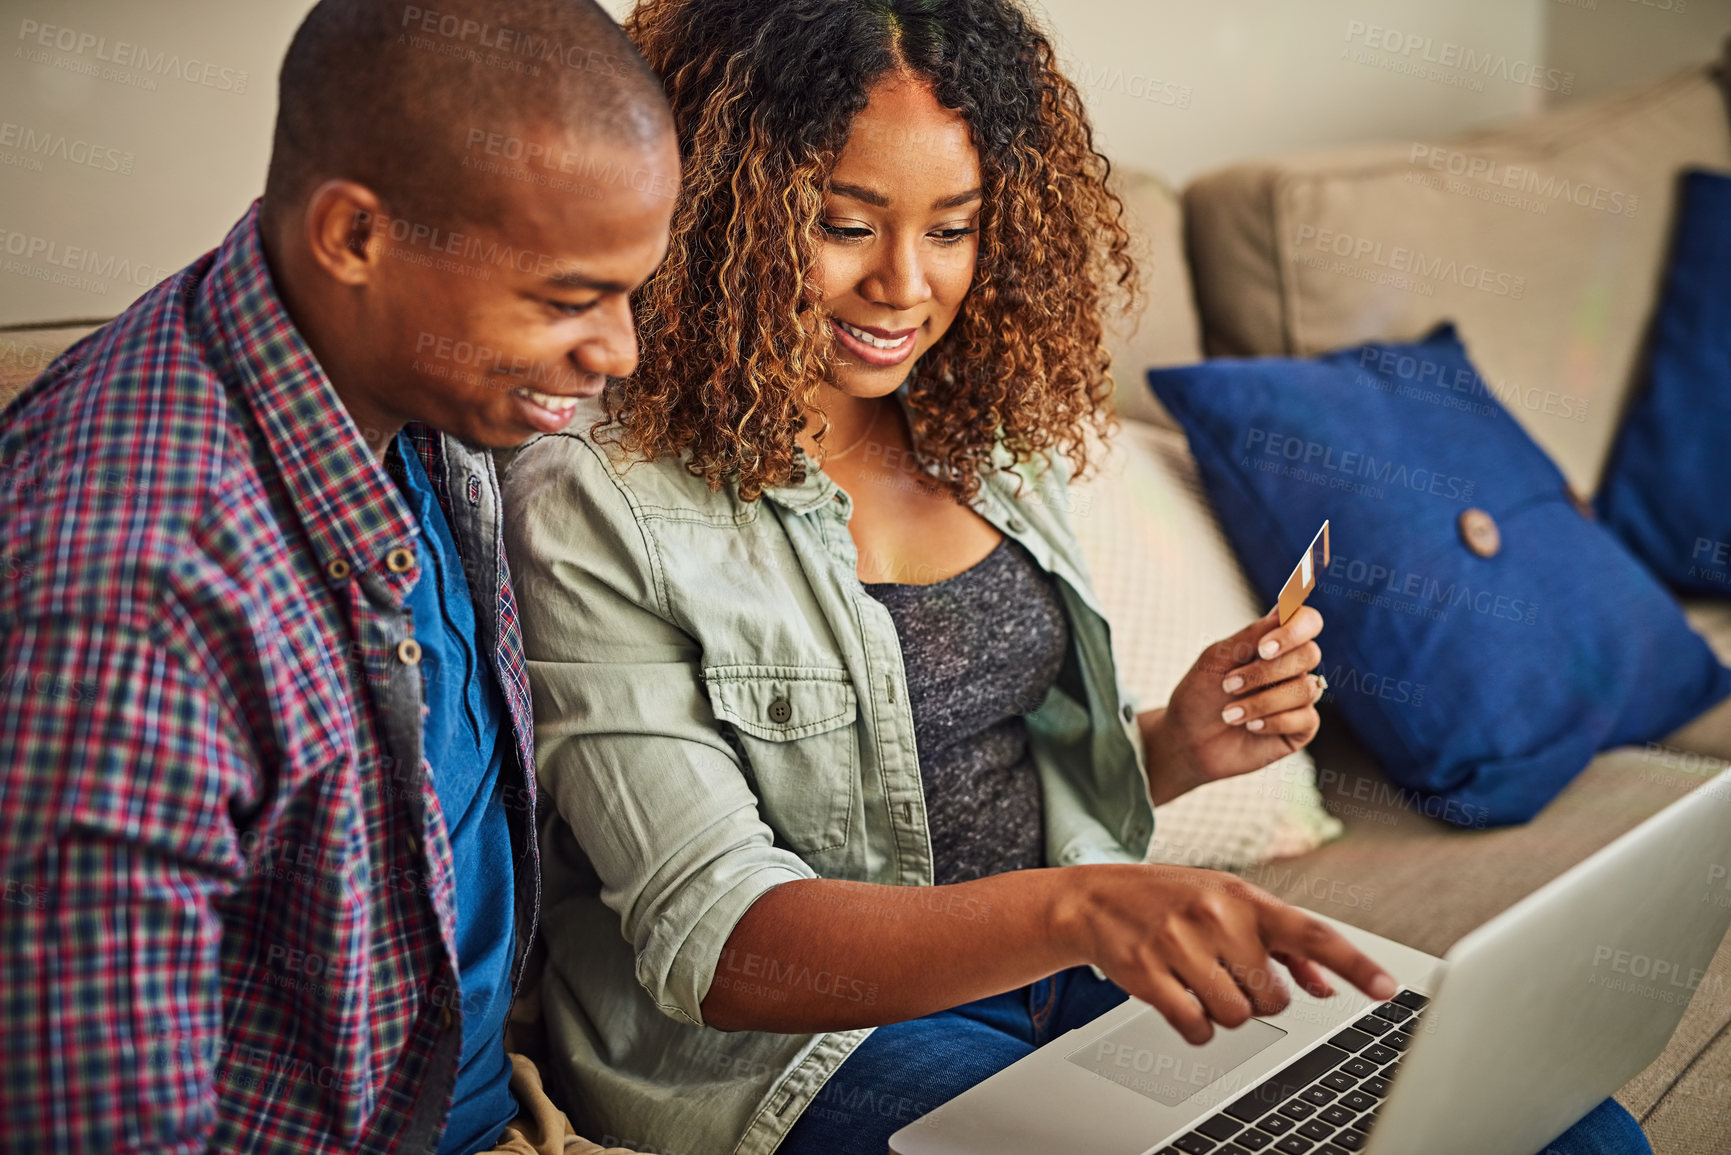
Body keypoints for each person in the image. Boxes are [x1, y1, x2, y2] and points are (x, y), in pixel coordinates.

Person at [500, 2, 1658, 1154]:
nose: (906, 287)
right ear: (717, 210)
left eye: (951, 230)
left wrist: (1174, 746)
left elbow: (1008, 777)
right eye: (844, 225)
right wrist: (1077, 910)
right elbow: (718, 941)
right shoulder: (597, 499)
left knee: (1570, 1129)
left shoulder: (980, 429)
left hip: (1064, 967)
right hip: (803, 1053)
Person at [0, 1, 677, 1151]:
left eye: (627, 292)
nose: (618, 350)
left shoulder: (404, 380)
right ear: (355, 236)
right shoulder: (131, 597)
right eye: (568, 300)